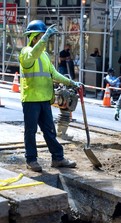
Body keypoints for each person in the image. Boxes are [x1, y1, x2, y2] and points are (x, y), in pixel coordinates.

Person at [19, 20, 82, 172]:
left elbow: (54, 74)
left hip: (45, 99)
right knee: (30, 131)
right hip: (31, 100)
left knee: (49, 130)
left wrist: (71, 82)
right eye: (41, 36)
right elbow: (34, 54)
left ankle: (58, 158)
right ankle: (31, 160)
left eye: (45, 37)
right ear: (34, 37)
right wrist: (45, 37)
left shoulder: (45, 56)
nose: (45, 40)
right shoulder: (26, 52)